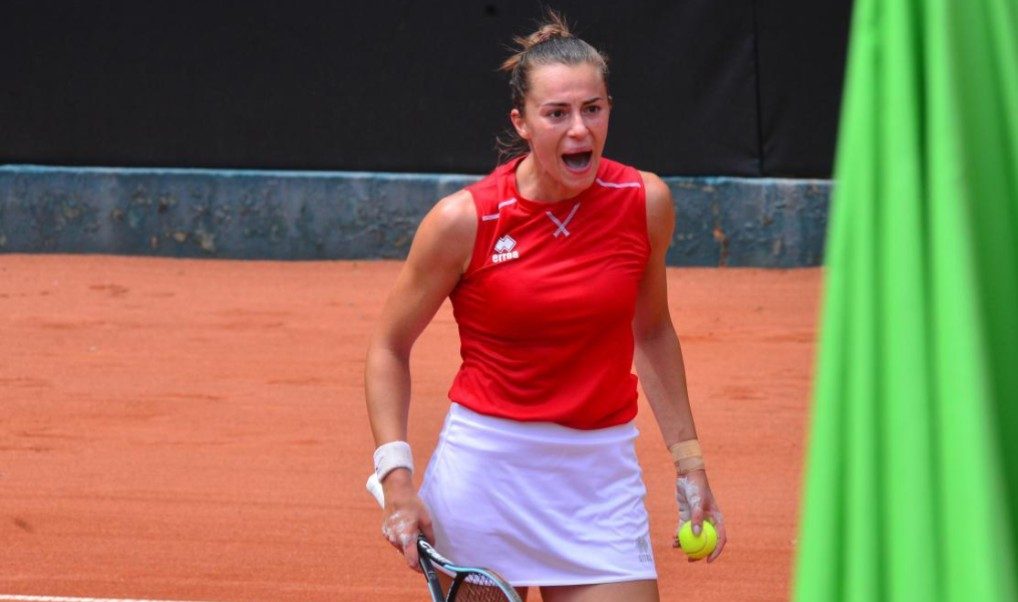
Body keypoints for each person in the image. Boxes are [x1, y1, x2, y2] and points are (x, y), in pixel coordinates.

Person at [365, 11, 726, 601]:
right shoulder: (466, 220)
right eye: (557, 113)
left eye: (593, 109)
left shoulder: (644, 202)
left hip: (598, 481)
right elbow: (388, 345)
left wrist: (690, 464)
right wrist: (396, 477)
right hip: (487, 481)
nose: (579, 130)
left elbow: (653, 331)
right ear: (523, 122)